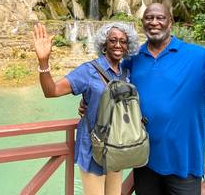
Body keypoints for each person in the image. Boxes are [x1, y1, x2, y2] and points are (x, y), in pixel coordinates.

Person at [121, 3, 205, 195]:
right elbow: (113, 88)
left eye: (160, 18)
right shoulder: (133, 58)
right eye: (149, 18)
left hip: (184, 163)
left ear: (171, 22)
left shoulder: (197, 56)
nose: (154, 22)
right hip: (143, 160)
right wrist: (88, 103)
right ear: (142, 23)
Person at [33, 22, 139, 195]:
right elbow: (51, 91)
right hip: (93, 148)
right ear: (104, 44)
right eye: (113, 40)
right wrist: (43, 61)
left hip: (118, 147)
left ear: (128, 46)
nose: (118, 45)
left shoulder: (126, 74)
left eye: (123, 41)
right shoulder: (88, 71)